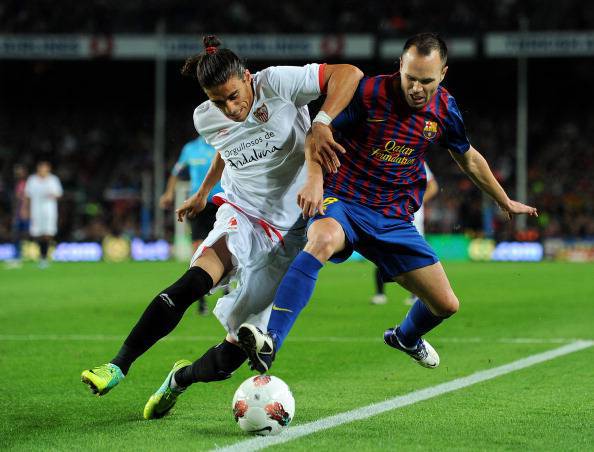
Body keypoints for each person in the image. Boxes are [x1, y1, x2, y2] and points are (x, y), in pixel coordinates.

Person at [81, 35, 363, 420]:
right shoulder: (205, 117)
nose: (230, 109)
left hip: (291, 231)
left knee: (232, 356)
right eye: (218, 102)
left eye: (233, 96)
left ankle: (178, 379)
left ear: (247, 77)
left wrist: (321, 123)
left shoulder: (277, 83)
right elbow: (225, 147)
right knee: (196, 279)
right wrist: (202, 192)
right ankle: (117, 365)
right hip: (242, 212)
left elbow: (349, 73)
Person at [237, 32, 538, 373]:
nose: (416, 89)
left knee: (446, 304)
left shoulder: (444, 109)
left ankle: (405, 337)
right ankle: (271, 341)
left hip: (393, 217)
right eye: (411, 78)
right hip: (344, 200)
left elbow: (467, 157)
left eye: (426, 81)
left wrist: (503, 200)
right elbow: (318, 134)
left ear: (443, 74)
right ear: (400, 66)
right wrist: (314, 179)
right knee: (321, 239)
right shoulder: (368, 93)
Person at [159, 135, 224, 316]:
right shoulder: (190, 148)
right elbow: (176, 172)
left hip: (222, 202)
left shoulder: (222, 141)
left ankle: (226, 288)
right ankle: (201, 300)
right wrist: (168, 193)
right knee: (198, 248)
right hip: (198, 203)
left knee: (225, 246)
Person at [371, 163, 438, 305]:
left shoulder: (417, 159)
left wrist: (417, 201)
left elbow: (433, 187)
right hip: (389, 212)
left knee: (414, 254)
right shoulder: (389, 158)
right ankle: (380, 294)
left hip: (412, 216)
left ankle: (415, 295)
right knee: (382, 250)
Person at [23, 161, 63, 269]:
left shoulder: (53, 180)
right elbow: (27, 196)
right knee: (37, 234)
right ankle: (41, 255)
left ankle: (44, 256)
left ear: (48, 169)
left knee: (48, 233)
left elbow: (59, 194)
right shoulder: (32, 180)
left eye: (45, 168)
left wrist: (52, 195)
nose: (42, 170)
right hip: (36, 211)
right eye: (41, 168)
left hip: (49, 211)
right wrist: (25, 209)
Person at [5, 164, 29, 269]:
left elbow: (26, 200)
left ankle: (40, 255)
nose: (17, 173)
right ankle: (17, 257)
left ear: (25, 172)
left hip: (25, 214)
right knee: (16, 236)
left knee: (25, 235)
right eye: (16, 171)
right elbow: (16, 201)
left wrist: (26, 212)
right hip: (18, 214)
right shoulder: (16, 184)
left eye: (20, 171)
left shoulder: (28, 184)